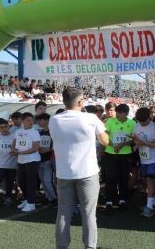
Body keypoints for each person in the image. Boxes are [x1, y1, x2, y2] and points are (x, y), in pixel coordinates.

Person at [49, 87, 109, 249]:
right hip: (87, 173)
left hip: (63, 173)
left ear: (64, 101)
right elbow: (105, 141)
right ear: (81, 102)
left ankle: (62, 246)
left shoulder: (54, 120)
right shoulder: (90, 118)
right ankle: (89, 246)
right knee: (88, 213)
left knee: (63, 212)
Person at [104, 104, 135, 213]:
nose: (116, 115)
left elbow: (133, 140)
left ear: (126, 113)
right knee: (111, 177)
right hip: (111, 154)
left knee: (124, 177)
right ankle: (109, 201)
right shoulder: (110, 121)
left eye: (119, 113)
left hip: (125, 154)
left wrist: (122, 145)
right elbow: (105, 136)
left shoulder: (132, 123)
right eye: (116, 112)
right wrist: (114, 146)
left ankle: (122, 200)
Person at [132, 108, 155, 218]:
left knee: (150, 180)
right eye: (140, 121)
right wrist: (136, 143)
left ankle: (149, 207)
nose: (142, 123)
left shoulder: (154, 126)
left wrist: (141, 143)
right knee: (145, 180)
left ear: (149, 118)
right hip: (143, 158)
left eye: (143, 121)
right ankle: (153, 202)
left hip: (154, 158)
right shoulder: (137, 125)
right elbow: (135, 138)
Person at [11, 112, 41, 212]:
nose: (31, 122)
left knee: (31, 182)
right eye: (28, 120)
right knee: (21, 181)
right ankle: (28, 199)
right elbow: (14, 144)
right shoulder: (18, 131)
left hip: (32, 160)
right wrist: (13, 150)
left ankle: (31, 203)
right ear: (22, 121)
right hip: (21, 160)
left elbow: (36, 148)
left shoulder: (34, 132)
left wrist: (21, 152)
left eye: (32, 120)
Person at [36, 113, 57, 206]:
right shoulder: (39, 133)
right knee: (43, 180)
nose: (39, 122)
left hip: (49, 159)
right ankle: (49, 198)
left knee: (47, 180)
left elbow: (54, 146)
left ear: (46, 120)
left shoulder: (53, 132)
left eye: (41, 120)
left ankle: (54, 198)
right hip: (40, 159)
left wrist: (47, 150)